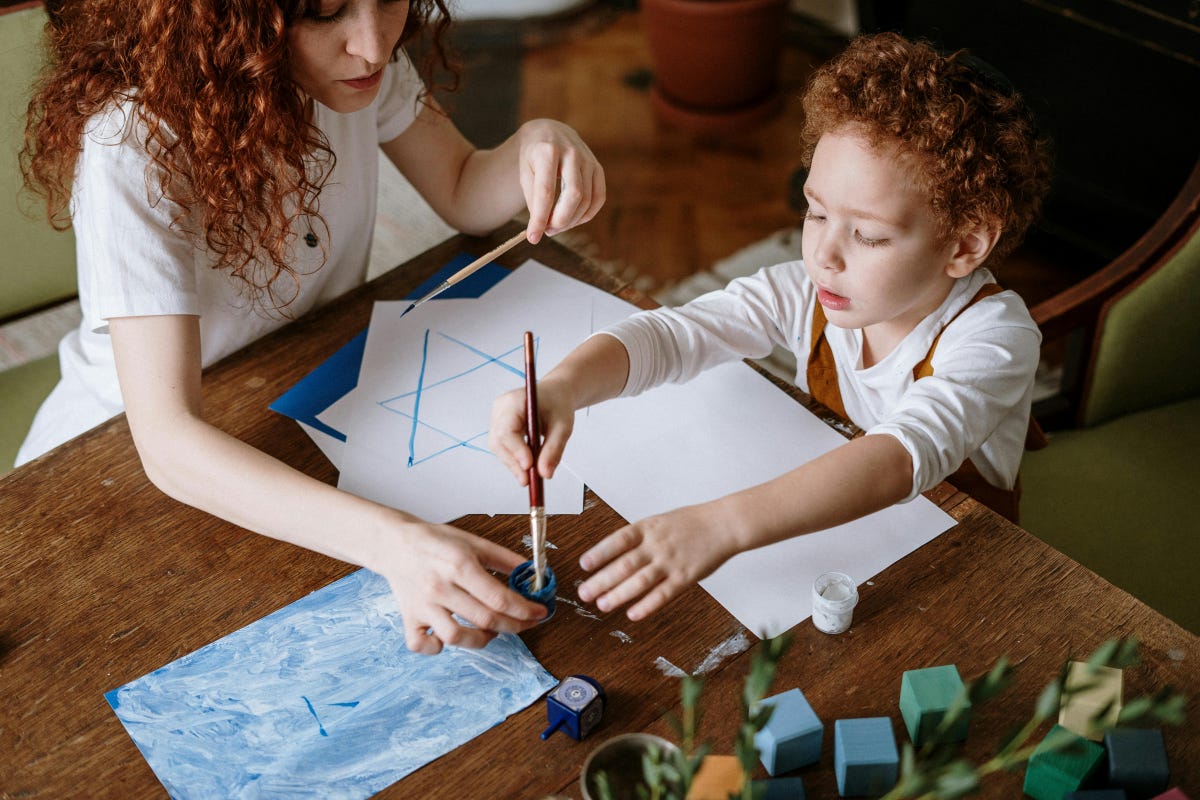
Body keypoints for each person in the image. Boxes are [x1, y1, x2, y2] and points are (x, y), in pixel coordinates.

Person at [18, 0, 605, 653]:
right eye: (326, 12)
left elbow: (465, 189)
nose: (375, 45)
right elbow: (167, 441)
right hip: (112, 468)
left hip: (305, 396)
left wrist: (539, 143)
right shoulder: (133, 144)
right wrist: (394, 542)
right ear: (229, 19)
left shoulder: (349, 69)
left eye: (387, 0)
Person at [490, 32, 1051, 623]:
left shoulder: (994, 335)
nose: (824, 255)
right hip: (843, 537)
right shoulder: (807, 291)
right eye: (815, 212)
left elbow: (899, 457)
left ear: (964, 245)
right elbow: (677, 334)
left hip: (965, 563)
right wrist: (563, 387)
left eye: (869, 235)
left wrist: (721, 524)